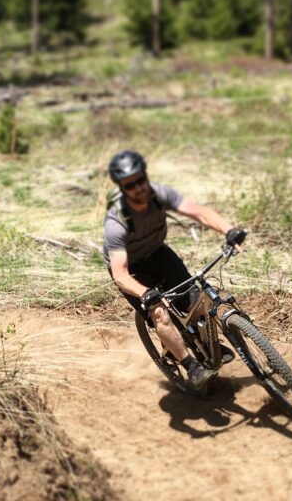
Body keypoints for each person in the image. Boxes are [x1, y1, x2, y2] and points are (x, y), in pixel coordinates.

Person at [102, 149, 247, 389]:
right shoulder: (116, 222)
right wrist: (146, 294)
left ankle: (207, 346)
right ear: (122, 188)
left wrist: (229, 230)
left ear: (145, 177)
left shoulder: (159, 194)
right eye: (130, 185)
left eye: (140, 180)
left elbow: (198, 211)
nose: (138, 188)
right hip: (133, 269)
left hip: (158, 252)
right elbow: (120, 274)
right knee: (159, 312)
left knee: (195, 299)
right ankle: (191, 365)